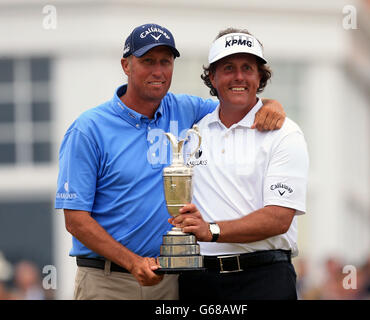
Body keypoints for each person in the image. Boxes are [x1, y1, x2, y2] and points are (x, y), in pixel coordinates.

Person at [55, 23, 286, 300]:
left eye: (165, 62)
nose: (158, 71)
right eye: (147, 61)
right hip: (107, 281)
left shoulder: (185, 108)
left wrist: (270, 105)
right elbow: (75, 220)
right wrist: (132, 262)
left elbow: (237, 102)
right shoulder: (88, 129)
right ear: (126, 65)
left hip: (169, 280)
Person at [170, 28, 309, 300]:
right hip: (198, 280)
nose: (239, 77)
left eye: (248, 67)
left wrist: (211, 230)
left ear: (260, 77)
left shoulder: (285, 133)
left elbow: (279, 219)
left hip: (264, 279)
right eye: (228, 67)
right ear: (212, 76)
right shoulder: (191, 131)